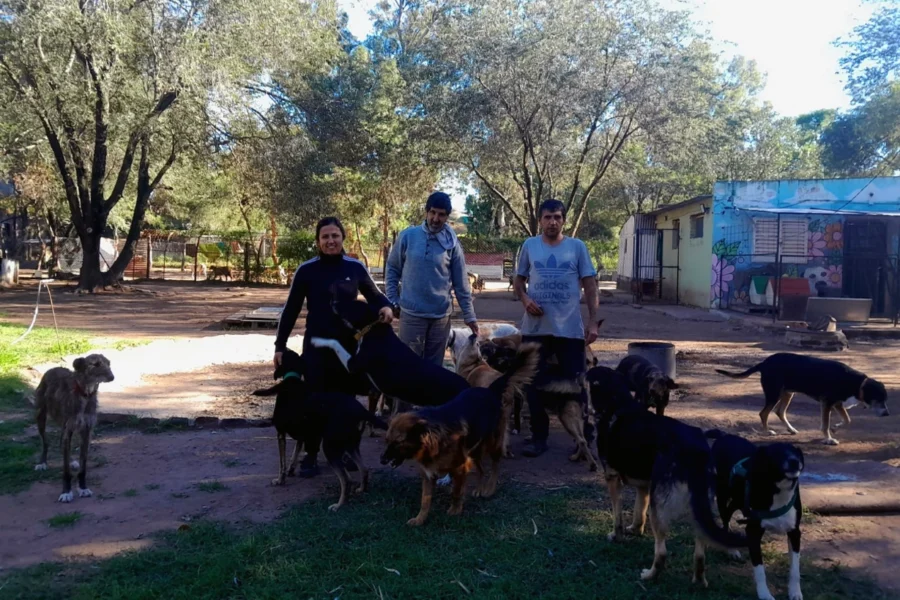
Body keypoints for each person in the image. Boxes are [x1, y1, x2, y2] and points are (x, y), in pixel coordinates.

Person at [273, 216, 393, 477]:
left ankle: (346, 452)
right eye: (325, 237)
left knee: (345, 402)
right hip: (316, 348)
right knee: (314, 401)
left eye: (335, 236)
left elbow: (375, 295)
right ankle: (311, 455)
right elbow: (291, 309)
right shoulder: (306, 270)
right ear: (318, 241)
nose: (330, 241)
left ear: (342, 238)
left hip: (347, 349)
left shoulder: (355, 267)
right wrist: (280, 345)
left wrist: (385, 307)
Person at [514, 199, 599, 457]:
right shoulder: (530, 245)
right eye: (548, 217)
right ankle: (539, 437)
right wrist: (525, 300)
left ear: (564, 220)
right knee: (532, 383)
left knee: (577, 384)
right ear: (540, 220)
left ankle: (584, 437)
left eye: (557, 217)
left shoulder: (577, 247)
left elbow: (590, 285)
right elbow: (518, 281)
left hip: (569, 331)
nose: (553, 222)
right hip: (536, 329)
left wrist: (593, 321)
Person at [386, 191, 478, 366]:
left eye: (441, 214)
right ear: (426, 212)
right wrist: (392, 300)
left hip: (440, 319)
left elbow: (461, 283)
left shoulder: (452, 244)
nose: (436, 219)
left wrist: (469, 315)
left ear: (447, 217)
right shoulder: (408, 236)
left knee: (434, 370)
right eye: (432, 212)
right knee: (407, 367)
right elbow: (392, 269)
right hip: (411, 316)